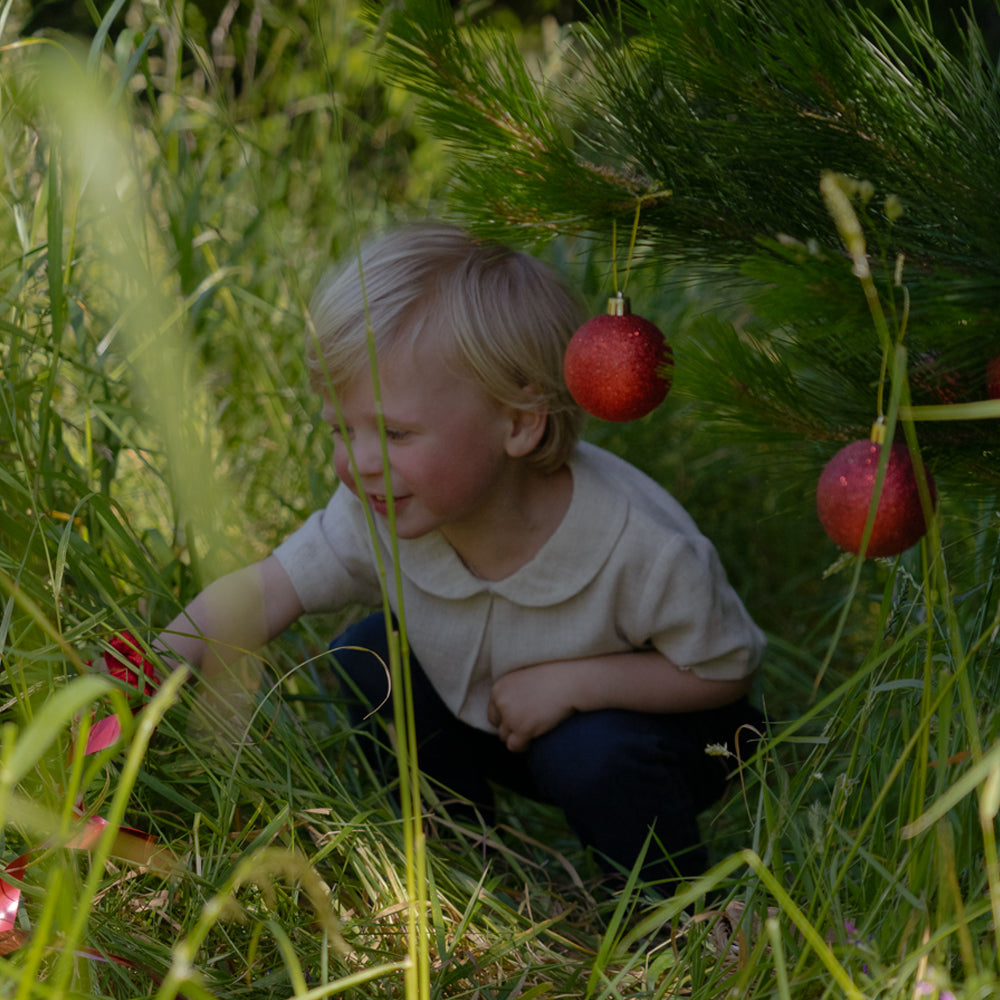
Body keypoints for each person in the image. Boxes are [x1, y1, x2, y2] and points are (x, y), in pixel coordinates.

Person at [158, 221, 766, 891]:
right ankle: (458, 862)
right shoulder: (376, 512)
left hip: (665, 741)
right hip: (500, 720)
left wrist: (575, 684)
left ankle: (669, 914)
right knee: (366, 659)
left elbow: (723, 670)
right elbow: (266, 592)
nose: (357, 463)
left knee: (588, 755)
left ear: (517, 422)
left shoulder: (639, 544)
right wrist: (142, 671)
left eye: (393, 432)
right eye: (340, 428)